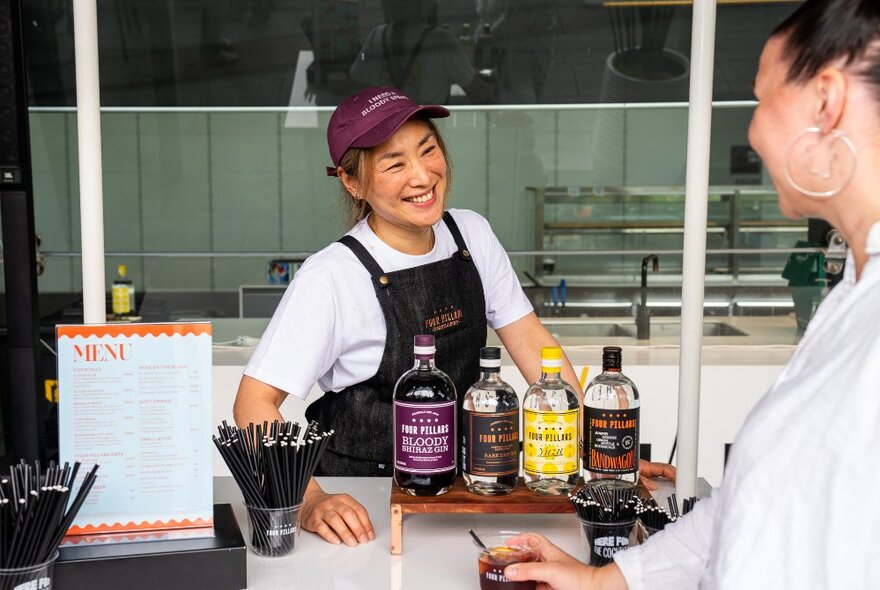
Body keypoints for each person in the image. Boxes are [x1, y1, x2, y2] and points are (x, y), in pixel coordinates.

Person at [504, 0, 880, 587]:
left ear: (826, 101)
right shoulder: (853, 295)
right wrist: (608, 580)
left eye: (761, 100)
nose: (752, 131)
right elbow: (752, 503)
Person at [233, 86, 675, 547]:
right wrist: (309, 501)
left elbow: (529, 339)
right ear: (352, 182)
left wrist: (598, 451)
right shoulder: (330, 277)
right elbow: (252, 405)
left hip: (468, 487)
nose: (423, 176)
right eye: (394, 163)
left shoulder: (471, 234)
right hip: (367, 503)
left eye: (428, 150)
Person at [350, 0, 493, 104]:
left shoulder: (376, 36)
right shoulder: (440, 40)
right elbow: (479, 93)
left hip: (386, 133)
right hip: (427, 133)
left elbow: (356, 83)